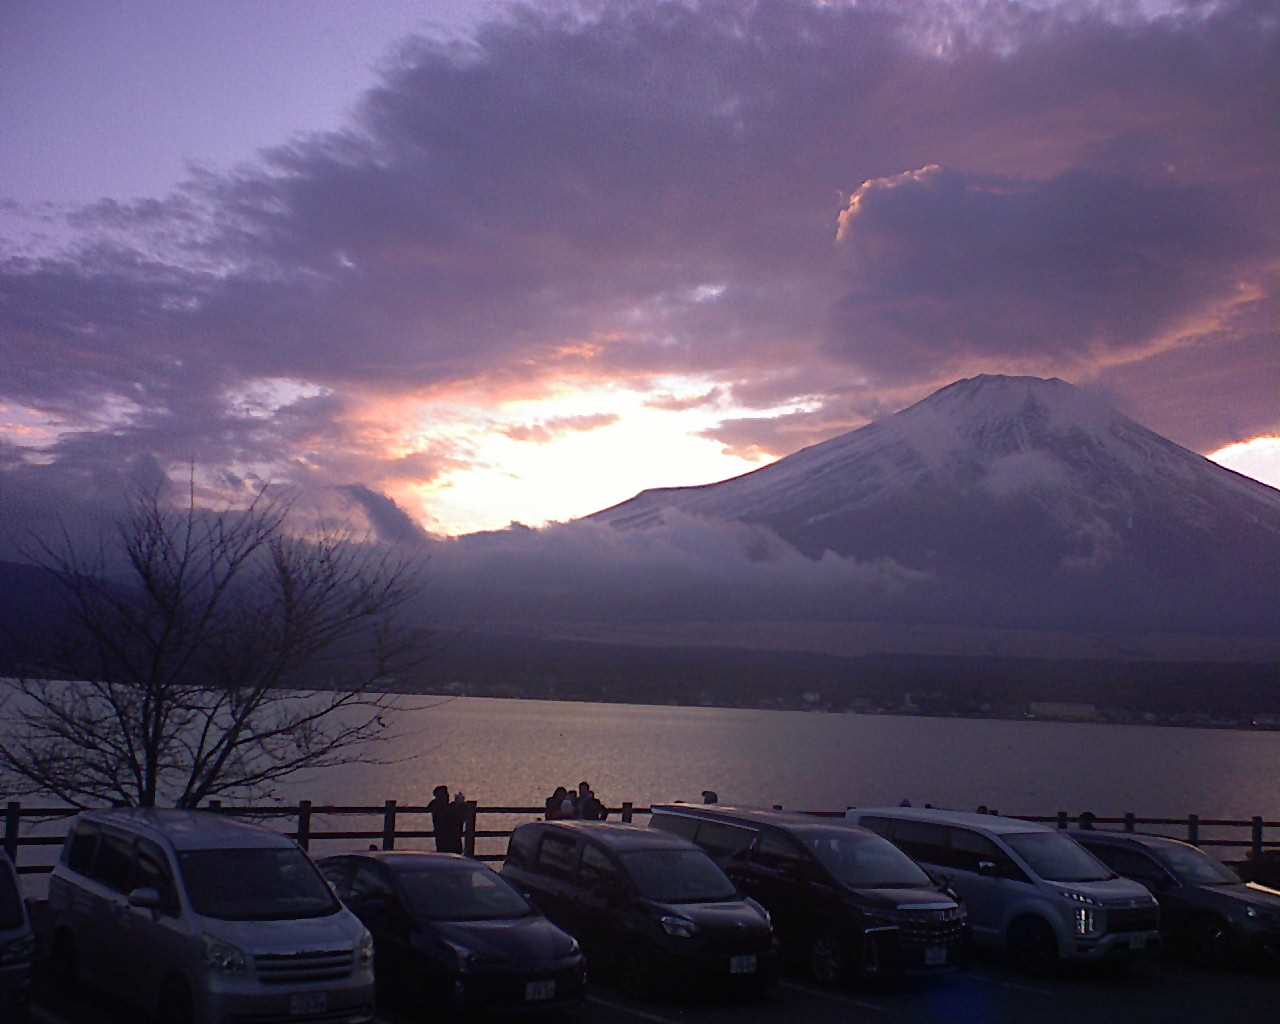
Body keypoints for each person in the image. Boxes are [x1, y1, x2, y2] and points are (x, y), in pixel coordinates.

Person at [428, 784, 464, 853]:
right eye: (445, 794)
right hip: (447, 840)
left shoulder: (436, 806)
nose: (447, 796)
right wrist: (458, 803)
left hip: (450, 840)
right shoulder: (438, 806)